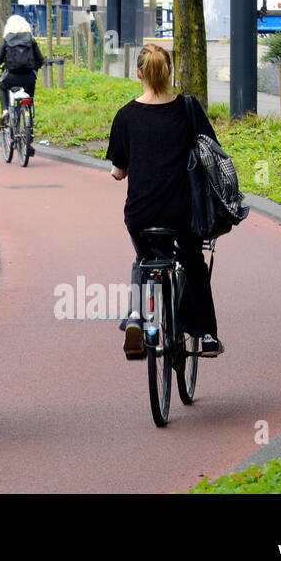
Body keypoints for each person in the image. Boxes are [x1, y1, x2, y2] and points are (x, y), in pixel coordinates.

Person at [106, 44, 224, 360]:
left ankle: (138, 319)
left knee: (145, 261)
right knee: (193, 261)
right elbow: (212, 153)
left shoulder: (125, 116)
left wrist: (120, 171)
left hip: (141, 214)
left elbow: (119, 170)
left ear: (138, 74)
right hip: (184, 212)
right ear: (169, 71)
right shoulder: (188, 109)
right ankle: (208, 335)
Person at [0, 14, 45, 137]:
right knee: (29, 98)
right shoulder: (31, 40)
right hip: (29, 78)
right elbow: (41, 60)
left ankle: (5, 111)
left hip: (11, 77)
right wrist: (38, 66)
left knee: (2, 87)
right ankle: (29, 125)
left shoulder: (6, 40)